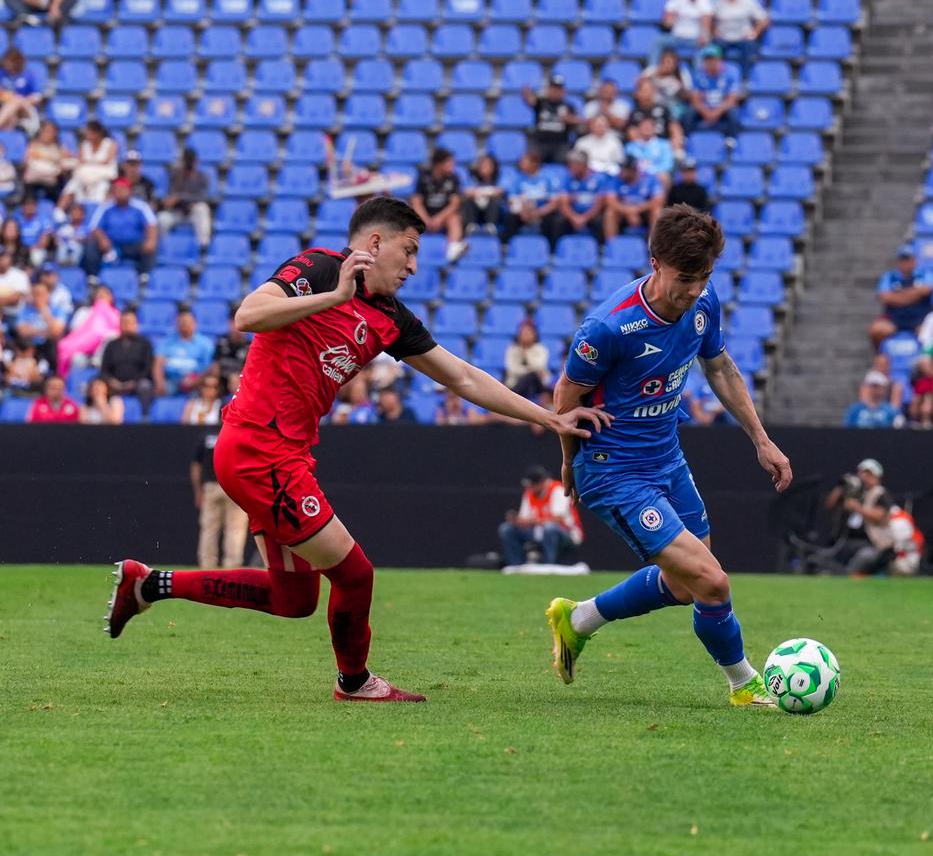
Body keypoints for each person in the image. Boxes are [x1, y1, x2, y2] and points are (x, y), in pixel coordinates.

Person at [105, 196, 608, 703]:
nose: (413, 266)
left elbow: (462, 376)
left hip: (283, 453)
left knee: (294, 598)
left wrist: (547, 415)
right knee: (355, 574)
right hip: (260, 449)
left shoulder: (391, 316)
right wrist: (334, 296)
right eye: (408, 250)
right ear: (374, 243)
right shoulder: (319, 267)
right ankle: (355, 681)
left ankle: (148, 585)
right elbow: (249, 314)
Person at [545, 203, 793, 706]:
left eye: (704, 277)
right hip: (613, 471)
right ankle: (746, 686)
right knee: (711, 580)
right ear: (656, 261)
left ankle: (578, 619)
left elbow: (720, 368)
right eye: (686, 278)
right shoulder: (609, 329)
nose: (695, 289)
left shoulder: (704, 303)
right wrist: (570, 461)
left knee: (685, 587)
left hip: (666, 458)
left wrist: (761, 440)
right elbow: (565, 396)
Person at [499, 464, 584, 569]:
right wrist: (517, 521)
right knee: (507, 529)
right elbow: (525, 518)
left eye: (532, 485)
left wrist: (531, 521)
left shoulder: (557, 490)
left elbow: (558, 519)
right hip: (538, 532)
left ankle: (548, 567)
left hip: (567, 534)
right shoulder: (529, 493)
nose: (530, 488)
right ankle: (516, 567)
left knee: (549, 528)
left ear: (542, 482)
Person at [191, 422, 249, 569]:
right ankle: (232, 566)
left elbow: (196, 466)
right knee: (235, 529)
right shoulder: (239, 436)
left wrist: (198, 490)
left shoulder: (206, 437)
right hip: (233, 486)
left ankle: (207, 565)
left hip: (211, 487)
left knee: (209, 528)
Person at [825, 459, 897, 575]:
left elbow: (880, 516)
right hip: (846, 541)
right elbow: (830, 505)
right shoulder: (854, 491)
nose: (864, 477)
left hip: (871, 543)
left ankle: (848, 576)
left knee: (863, 558)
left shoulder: (880, 493)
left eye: (868, 474)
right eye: (862, 473)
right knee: (828, 558)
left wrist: (858, 508)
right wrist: (841, 487)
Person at [83, 177, 158, 276]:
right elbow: (94, 227)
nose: (119, 192)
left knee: (150, 245)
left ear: (130, 191)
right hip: (111, 245)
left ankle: (144, 277)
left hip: (133, 244)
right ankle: (93, 277)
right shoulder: (105, 207)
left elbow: (151, 225)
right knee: (91, 245)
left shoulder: (141, 206)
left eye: (122, 189)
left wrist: (151, 240)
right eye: (116, 190)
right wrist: (102, 239)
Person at [869, 244, 933, 347]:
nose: (905, 263)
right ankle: (883, 358)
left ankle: (923, 359)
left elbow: (927, 290)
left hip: (920, 318)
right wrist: (915, 294)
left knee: (927, 332)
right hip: (895, 318)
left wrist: (897, 295)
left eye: (908, 260)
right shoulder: (889, 276)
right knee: (877, 329)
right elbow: (885, 297)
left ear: (915, 260)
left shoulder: (926, 274)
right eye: (902, 260)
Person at [410, 147, 467, 265]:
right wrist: (425, 219)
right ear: (439, 164)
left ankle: (453, 250)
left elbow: (455, 203)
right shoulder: (423, 176)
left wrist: (439, 219)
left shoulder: (454, 178)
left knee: (455, 219)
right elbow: (416, 201)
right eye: (449, 162)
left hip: (444, 216)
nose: (452, 165)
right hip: (423, 215)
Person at [99, 306, 155, 412]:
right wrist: (111, 381)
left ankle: (145, 417)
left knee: (145, 386)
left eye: (130, 322)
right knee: (98, 386)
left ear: (136, 324)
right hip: (114, 384)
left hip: (136, 383)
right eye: (124, 322)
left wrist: (133, 382)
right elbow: (104, 369)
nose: (127, 325)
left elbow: (147, 369)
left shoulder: (145, 344)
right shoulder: (111, 345)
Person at [712, 0, 769, 76]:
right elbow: (710, 20)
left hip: (743, 38)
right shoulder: (717, 2)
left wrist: (755, 32)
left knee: (750, 47)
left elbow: (763, 19)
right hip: (723, 38)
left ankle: (745, 77)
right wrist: (714, 31)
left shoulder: (748, 0)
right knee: (715, 48)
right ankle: (721, 76)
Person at [153, 306, 215, 396]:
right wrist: (160, 383)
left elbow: (211, 368)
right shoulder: (166, 342)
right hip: (171, 380)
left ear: (194, 323)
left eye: (187, 322)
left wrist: (196, 381)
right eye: (181, 322)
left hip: (196, 382)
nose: (184, 325)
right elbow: (158, 364)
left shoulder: (205, 344)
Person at [656, 0, 714, 64]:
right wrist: (669, 19)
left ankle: (699, 76)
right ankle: (652, 71)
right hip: (676, 37)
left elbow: (706, 22)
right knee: (658, 41)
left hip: (695, 39)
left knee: (704, 47)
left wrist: (704, 36)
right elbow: (667, 19)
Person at [686, 45, 745, 139]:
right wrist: (706, 112)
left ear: (720, 59)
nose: (709, 62)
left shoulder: (731, 72)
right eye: (707, 59)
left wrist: (716, 113)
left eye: (712, 59)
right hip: (705, 107)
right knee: (689, 113)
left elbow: (731, 99)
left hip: (723, 108)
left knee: (733, 113)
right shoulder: (699, 73)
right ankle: (688, 139)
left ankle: (731, 140)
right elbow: (695, 99)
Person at [158, 147, 211, 249]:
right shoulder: (175, 175)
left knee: (202, 208)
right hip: (176, 212)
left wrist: (181, 198)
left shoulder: (202, 177)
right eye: (186, 161)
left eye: (191, 161)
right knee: (162, 219)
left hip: (192, 213)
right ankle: (162, 248)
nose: (188, 164)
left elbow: (202, 197)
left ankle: (203, 246)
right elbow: (171, 197)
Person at [503, 150, 562, 240]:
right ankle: (507, 246)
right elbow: (512, 200)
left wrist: (538, 213)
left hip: (543, 212)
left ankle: (551, 249)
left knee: (552, 220)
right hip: (523, 212)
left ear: (534, 163)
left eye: (524, 162)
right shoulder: (518, 178)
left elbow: (554, 202)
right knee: (510, 218)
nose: (521, 164)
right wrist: (522, 212)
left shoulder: (548, 177)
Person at [523, 73, 581, 164]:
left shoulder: (568, 106)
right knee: (531, 158)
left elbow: (578, 121)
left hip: (561, 144)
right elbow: (530, 100)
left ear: (563, 91)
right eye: (553, 88)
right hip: (540, 143)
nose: (556, 91)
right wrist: (527, 91)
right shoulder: (541, 102)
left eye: (558, 89)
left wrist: (569, 119)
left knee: (569, 157)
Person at [57, 122, 118, 208]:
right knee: (73, 184)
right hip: (85, 176)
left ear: (97, 133)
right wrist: (70, 155)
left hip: (103, 176)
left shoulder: (110, 144)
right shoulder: (84, 145)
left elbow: (106, 162)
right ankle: (59, 211)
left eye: (88, 133)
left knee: (101, 187)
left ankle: (97, 210)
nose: (86, 135)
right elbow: (80, 161)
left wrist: (88, 162)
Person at [603, 157, 663, 240]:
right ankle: (611, 246)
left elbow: (658, 200)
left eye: (625, 169)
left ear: (633, 170)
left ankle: (653, 246)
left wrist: (636, 210)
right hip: (623, 211)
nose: (622, 172)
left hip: (643, 211)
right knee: (610, 213)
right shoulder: (616, 178)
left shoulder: (649, 178)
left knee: (657, 211)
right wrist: (628, 211)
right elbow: (610, 201)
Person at [15, 279, 68, 368]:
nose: (38, 297)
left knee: (53, 344)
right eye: (35, 294)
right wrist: (45, 332)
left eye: (41, 294)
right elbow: (21, 331)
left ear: (48, 294)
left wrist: (43, 309)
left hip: (49, 346)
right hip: (30, 345)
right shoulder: (25, 310)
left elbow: (56, 331)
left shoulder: (57, 310)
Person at [557, 152, 608, 242]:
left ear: (583, 165)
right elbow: (563, 202)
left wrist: (584, 218)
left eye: (573, 165)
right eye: (570, 165)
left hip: (592, 213)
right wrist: (574, 217)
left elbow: (599, 204)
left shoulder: (599, 178)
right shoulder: (568, 178)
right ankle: (557, 250)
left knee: (600, 221)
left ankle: (601, 248)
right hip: (573, 213)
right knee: (559, 221)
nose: (571, 168)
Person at [505, 319, 552, 401]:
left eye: (528, 332)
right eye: (523, 333)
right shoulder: (512, 349)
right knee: (530, 376)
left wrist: (526, 352)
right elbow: (513, 370)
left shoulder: (541, 349)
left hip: (537, 384)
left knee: (532, 377)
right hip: (516, 384)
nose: (525, 335)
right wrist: (530, 371)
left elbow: (539, 366)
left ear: (534, 334)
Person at [625, 114, 675, 188]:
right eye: (644, 126)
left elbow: (668, 164)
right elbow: (626, 164)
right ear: (638, 128)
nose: (647, 128)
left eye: (650, 126)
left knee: (664, 176)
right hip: (636, 174)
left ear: (654, 129)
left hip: (656, 174)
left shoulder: (664, 145)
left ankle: (661, 199)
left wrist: (651, 170)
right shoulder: (630, 146)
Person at [24, 121, 71, 201]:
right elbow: (27, 162)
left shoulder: (60, 148)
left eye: (50, 131)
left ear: (55, 133)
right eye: (45, 131)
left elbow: (64, 163)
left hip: (53, 180)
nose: (46, 134)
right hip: (34, 178)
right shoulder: (33, 145)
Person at [0, 46, 42, 133]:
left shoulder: (28, 75)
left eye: (11, 61)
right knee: (12, 110)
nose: (7, 63)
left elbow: (38, 97)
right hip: (7, 111)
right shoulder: (2, 74)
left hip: (26, 111)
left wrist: (20, 100)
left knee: (16, 101)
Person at [462, 154, 506, 234]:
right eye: (482, 165)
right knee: (467, 201)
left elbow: (500, 191)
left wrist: (479, 193)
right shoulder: (472, 178)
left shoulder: (499, 178)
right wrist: (488, 192)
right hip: (476, 208)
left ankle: (491, 225)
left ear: (493, 167)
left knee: (495, 200)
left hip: (492, 210)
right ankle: (471, 225)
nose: (483, 167)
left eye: (487, 165)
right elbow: (467, 192)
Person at [574, 112, 625, 177]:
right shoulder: (582, 142)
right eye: (598, 125)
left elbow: (620, 161)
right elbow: (577, 163)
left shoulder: (615, 142)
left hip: (609, 175)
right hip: (588, 175)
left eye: (602, 125)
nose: (600, 128)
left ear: (607, 127)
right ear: (591, 126)